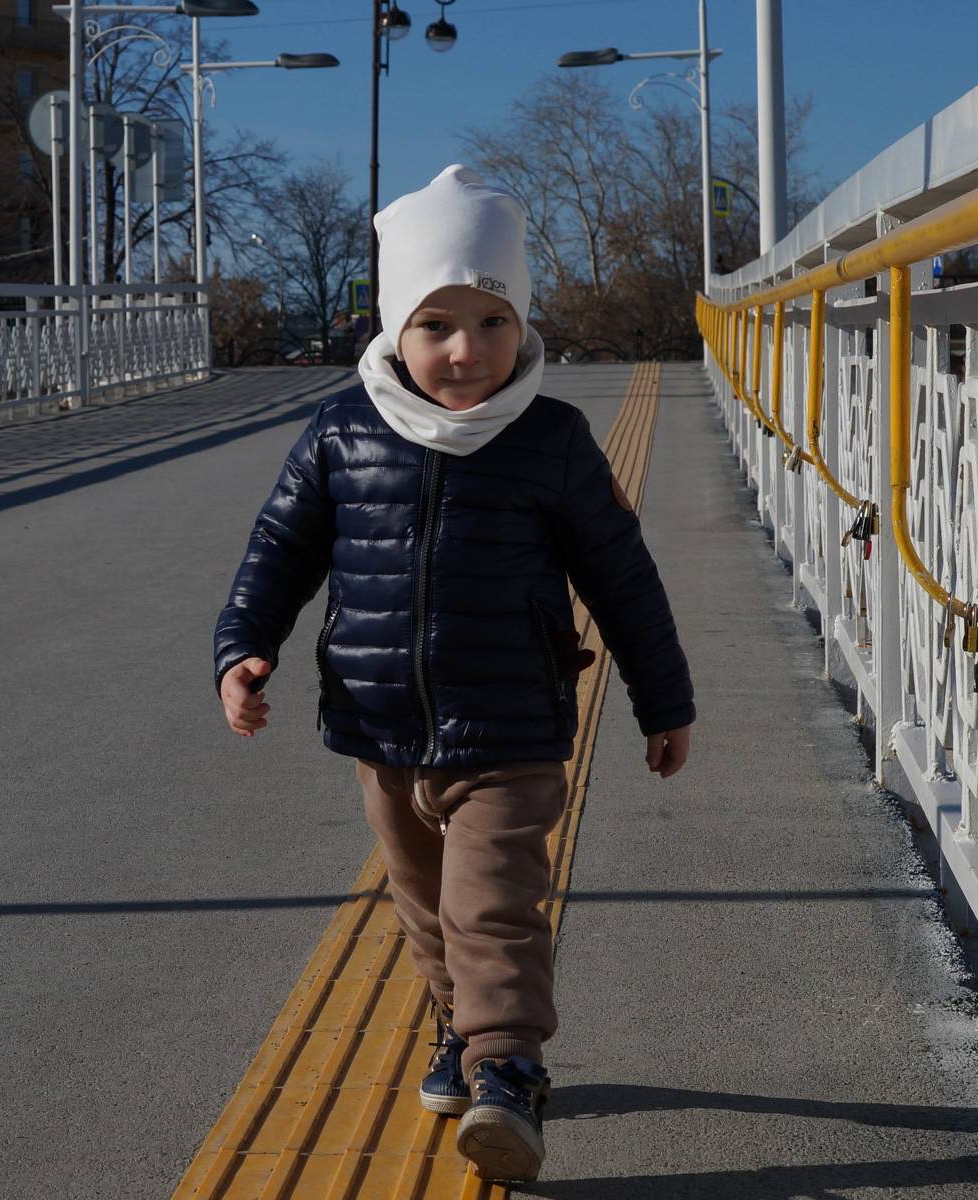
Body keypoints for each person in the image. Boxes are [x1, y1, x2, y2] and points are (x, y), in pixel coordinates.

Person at [212, 164, 695, 1182]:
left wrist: (664, 700)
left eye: (493, 321)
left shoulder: (553, 441)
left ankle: (507, 1067)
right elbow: (278, 552)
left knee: (491, 906)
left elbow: (623, 577)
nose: (467, 351)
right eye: (437, 325)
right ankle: (460, 1031)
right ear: (395, 328)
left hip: (512, 725)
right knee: (426, 908)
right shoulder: (342, 432)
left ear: (523, 325)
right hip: (381, 727)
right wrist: (243, 650)